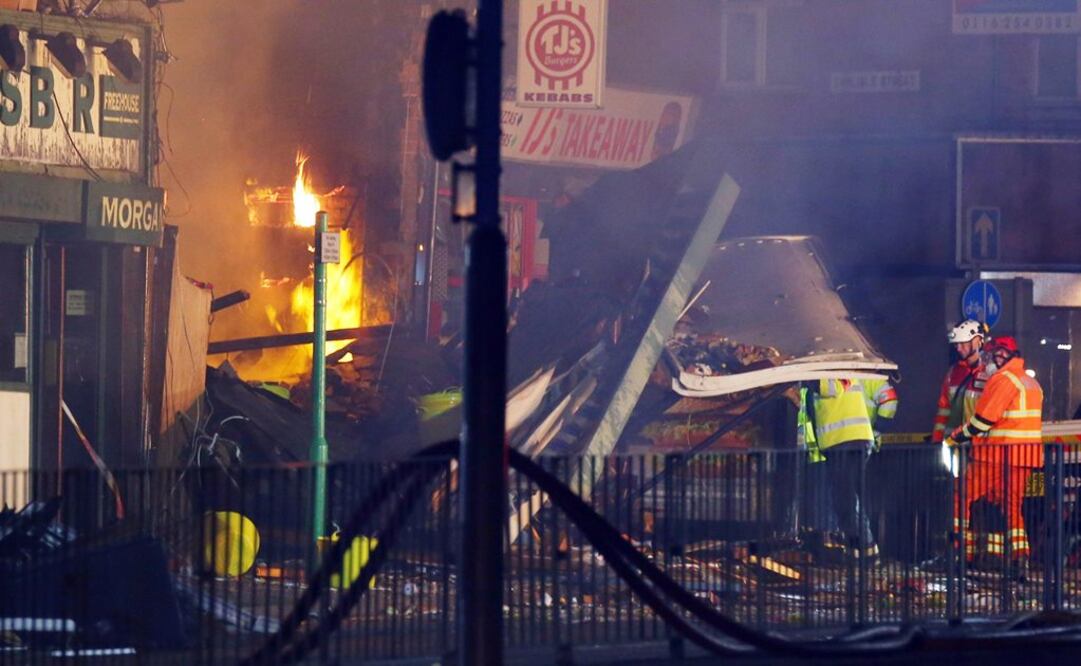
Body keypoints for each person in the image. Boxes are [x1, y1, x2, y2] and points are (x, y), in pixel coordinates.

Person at [947, 336, 1043, 570]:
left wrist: (956, 437)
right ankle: (1020, 559)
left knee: (961, 496)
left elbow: (983, 420)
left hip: (996, 453)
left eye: (992, 354)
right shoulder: (1030, 382)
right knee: (1012, 506)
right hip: (1024, 456)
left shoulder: (1003, 380)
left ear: (1001, 355)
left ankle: (958, 553)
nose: (989, 360)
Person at [802, 376, 897, 560]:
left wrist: (808, 378)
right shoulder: (831, 369)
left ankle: (867, 550)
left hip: (849, 441)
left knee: (846, 498)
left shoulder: (839, 368)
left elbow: (834, 388)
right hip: (840, 442)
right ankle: (857, 550)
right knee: (842, 499)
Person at [931, 320, 989, 444]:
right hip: (954, 444)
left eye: (962, 343)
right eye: (956, 344)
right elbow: (943, 409)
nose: (958, 348)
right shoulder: (953, 373)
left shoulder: (992, 373)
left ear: (977, 341)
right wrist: (936, 439)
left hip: (982, 446)